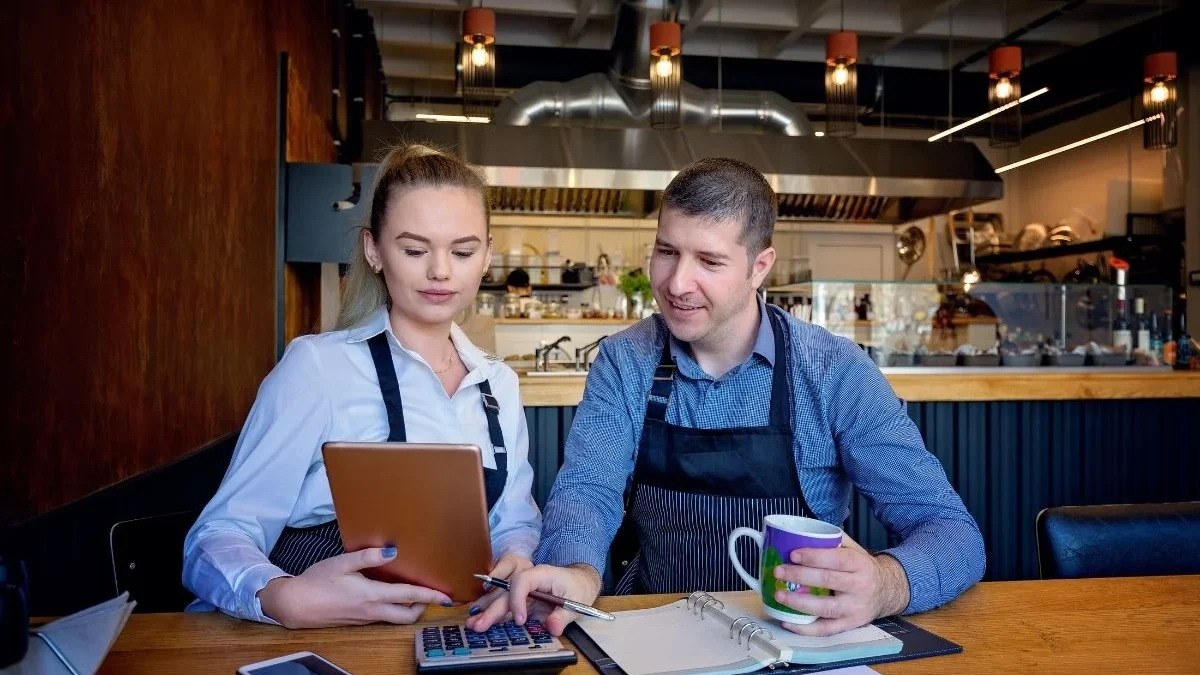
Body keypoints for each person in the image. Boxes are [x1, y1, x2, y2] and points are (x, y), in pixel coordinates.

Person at [469, 158, 985, 638]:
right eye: (666, 251)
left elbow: (952, 533)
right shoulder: (626, 360)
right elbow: (588, 490)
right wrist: (577, 570)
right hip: (655, 631)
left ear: (759, 267)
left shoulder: (835, 371)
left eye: (709, 261)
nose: (676, 282)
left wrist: (885, 584)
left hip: (795, 642)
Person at [183, 144, 541, 628]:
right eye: (414, 250)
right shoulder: (317, 368)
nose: (440, 270)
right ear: (374, 250)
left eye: (462, 251)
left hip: (451, 630)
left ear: (487, 256)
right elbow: (216, 536)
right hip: (323, 637)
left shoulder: (498, 385)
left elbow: (514, 521)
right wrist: (282, 597)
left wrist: (517, 556)